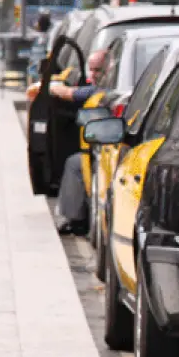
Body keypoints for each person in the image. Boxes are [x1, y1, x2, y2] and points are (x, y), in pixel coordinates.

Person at [51, 49, 108, 235]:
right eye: (90, 69)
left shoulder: (105, 90)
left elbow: (71, 93)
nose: (93, 74)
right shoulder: (105, 86)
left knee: (75, 163)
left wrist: (51, 86)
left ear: (110, 68)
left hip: (106, 151)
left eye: (98, 70)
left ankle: (74, 218)